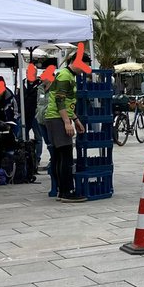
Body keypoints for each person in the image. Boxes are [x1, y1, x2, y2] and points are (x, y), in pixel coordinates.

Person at [44, 52, 87, 202]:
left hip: (57, 117)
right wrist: (67, 122)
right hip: (57, 118)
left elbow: (67, 102)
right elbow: (60, 100)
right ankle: (66, 191)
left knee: (59, 155)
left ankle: (61, 190)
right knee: (65, 156)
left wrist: (75, 119)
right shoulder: (65, 76)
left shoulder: (68, 75)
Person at [21, 76, 45, 164]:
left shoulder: (40, 84)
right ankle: (26, 156)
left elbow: (42, 99)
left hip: (35, 115)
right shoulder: (22, 83)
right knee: (23, 137)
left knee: (38, 137)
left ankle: (37, 158)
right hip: (25, 114)